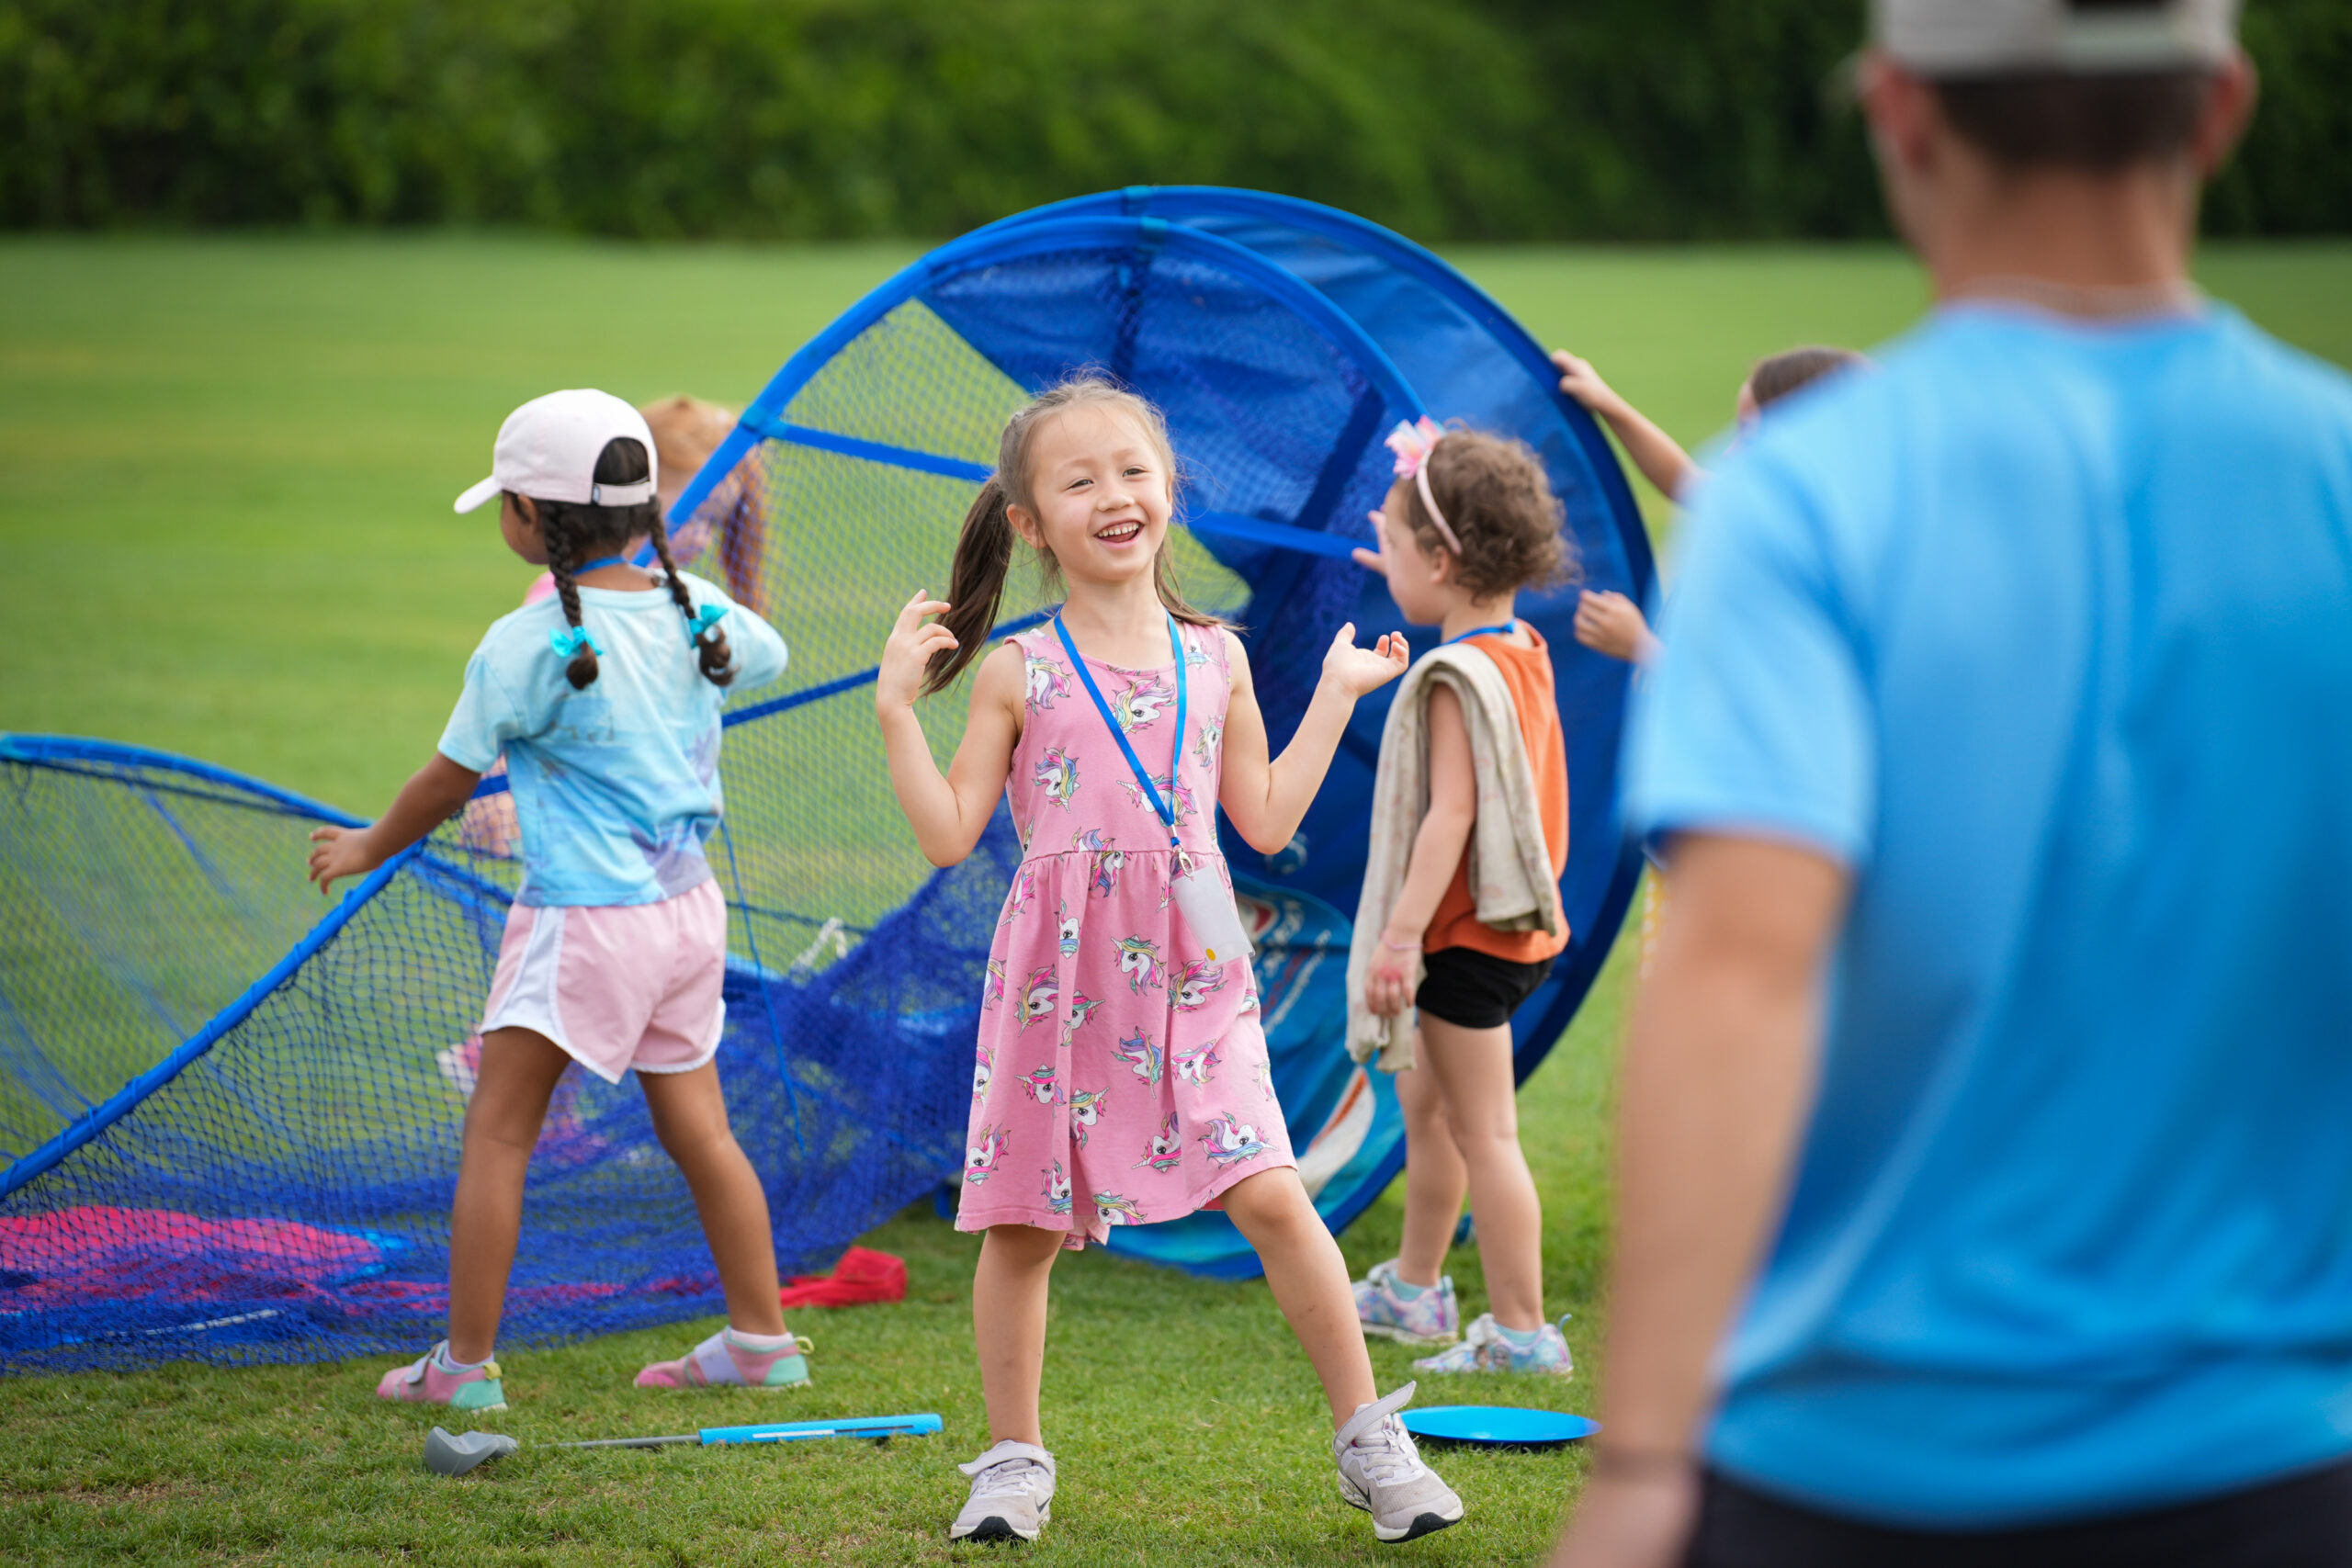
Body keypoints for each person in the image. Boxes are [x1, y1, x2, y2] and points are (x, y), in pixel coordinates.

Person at [1554, 1, 2352, 1564]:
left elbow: (1738, 971)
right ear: (2224, 109)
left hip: (1855, 1456)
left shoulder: (1804, 503)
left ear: (1900, 115)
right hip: (2275, 1455)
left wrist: (1645, 1462)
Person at [875, 376, 1465, 1545]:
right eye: (1079, 479)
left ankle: (1368, 1442)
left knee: (1274, 1195)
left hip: (1193, 978)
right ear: (1032, 522)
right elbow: (948, 834)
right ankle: (1011, 1461)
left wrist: (1340, 696)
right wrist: (899, 710)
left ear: (1170, 493)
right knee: (1023, 1228)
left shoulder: (1221, 658)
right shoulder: (1018, 669)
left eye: (1133, 471)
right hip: (1055, 985)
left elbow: (1262, 818)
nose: (1115, 496)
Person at [308, 389, 808, 1411]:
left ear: (535, 521)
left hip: (584, 921)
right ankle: (763, 1339)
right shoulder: (700, 611)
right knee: (702, 1132)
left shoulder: (523, 644)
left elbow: (447, 781)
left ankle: (463, 1369)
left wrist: (367, 846)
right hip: (686, 917)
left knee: (498, 1132)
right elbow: (766, 650)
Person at [1342, 420, 1579, 1377]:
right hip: (1510, 938)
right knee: (1429, 1114)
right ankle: (1413, 1287)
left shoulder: (1451, 676)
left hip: (1461, 942)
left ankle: (1521, 1335)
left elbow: (1450, 817)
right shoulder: (1517, 642)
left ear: (1441, 559)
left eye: (1394, 550)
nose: (1383, 561)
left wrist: (1400, 941)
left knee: (1484, 1133)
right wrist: (1412, 564)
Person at [1550, 346, 1863, 667]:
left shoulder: (1803, 573)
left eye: (1750, 439)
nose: (1728, 455)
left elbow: (1748, 691)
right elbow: (1683, 479)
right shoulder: (1769, 512)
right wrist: (1607, 403)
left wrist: (1641, 647)